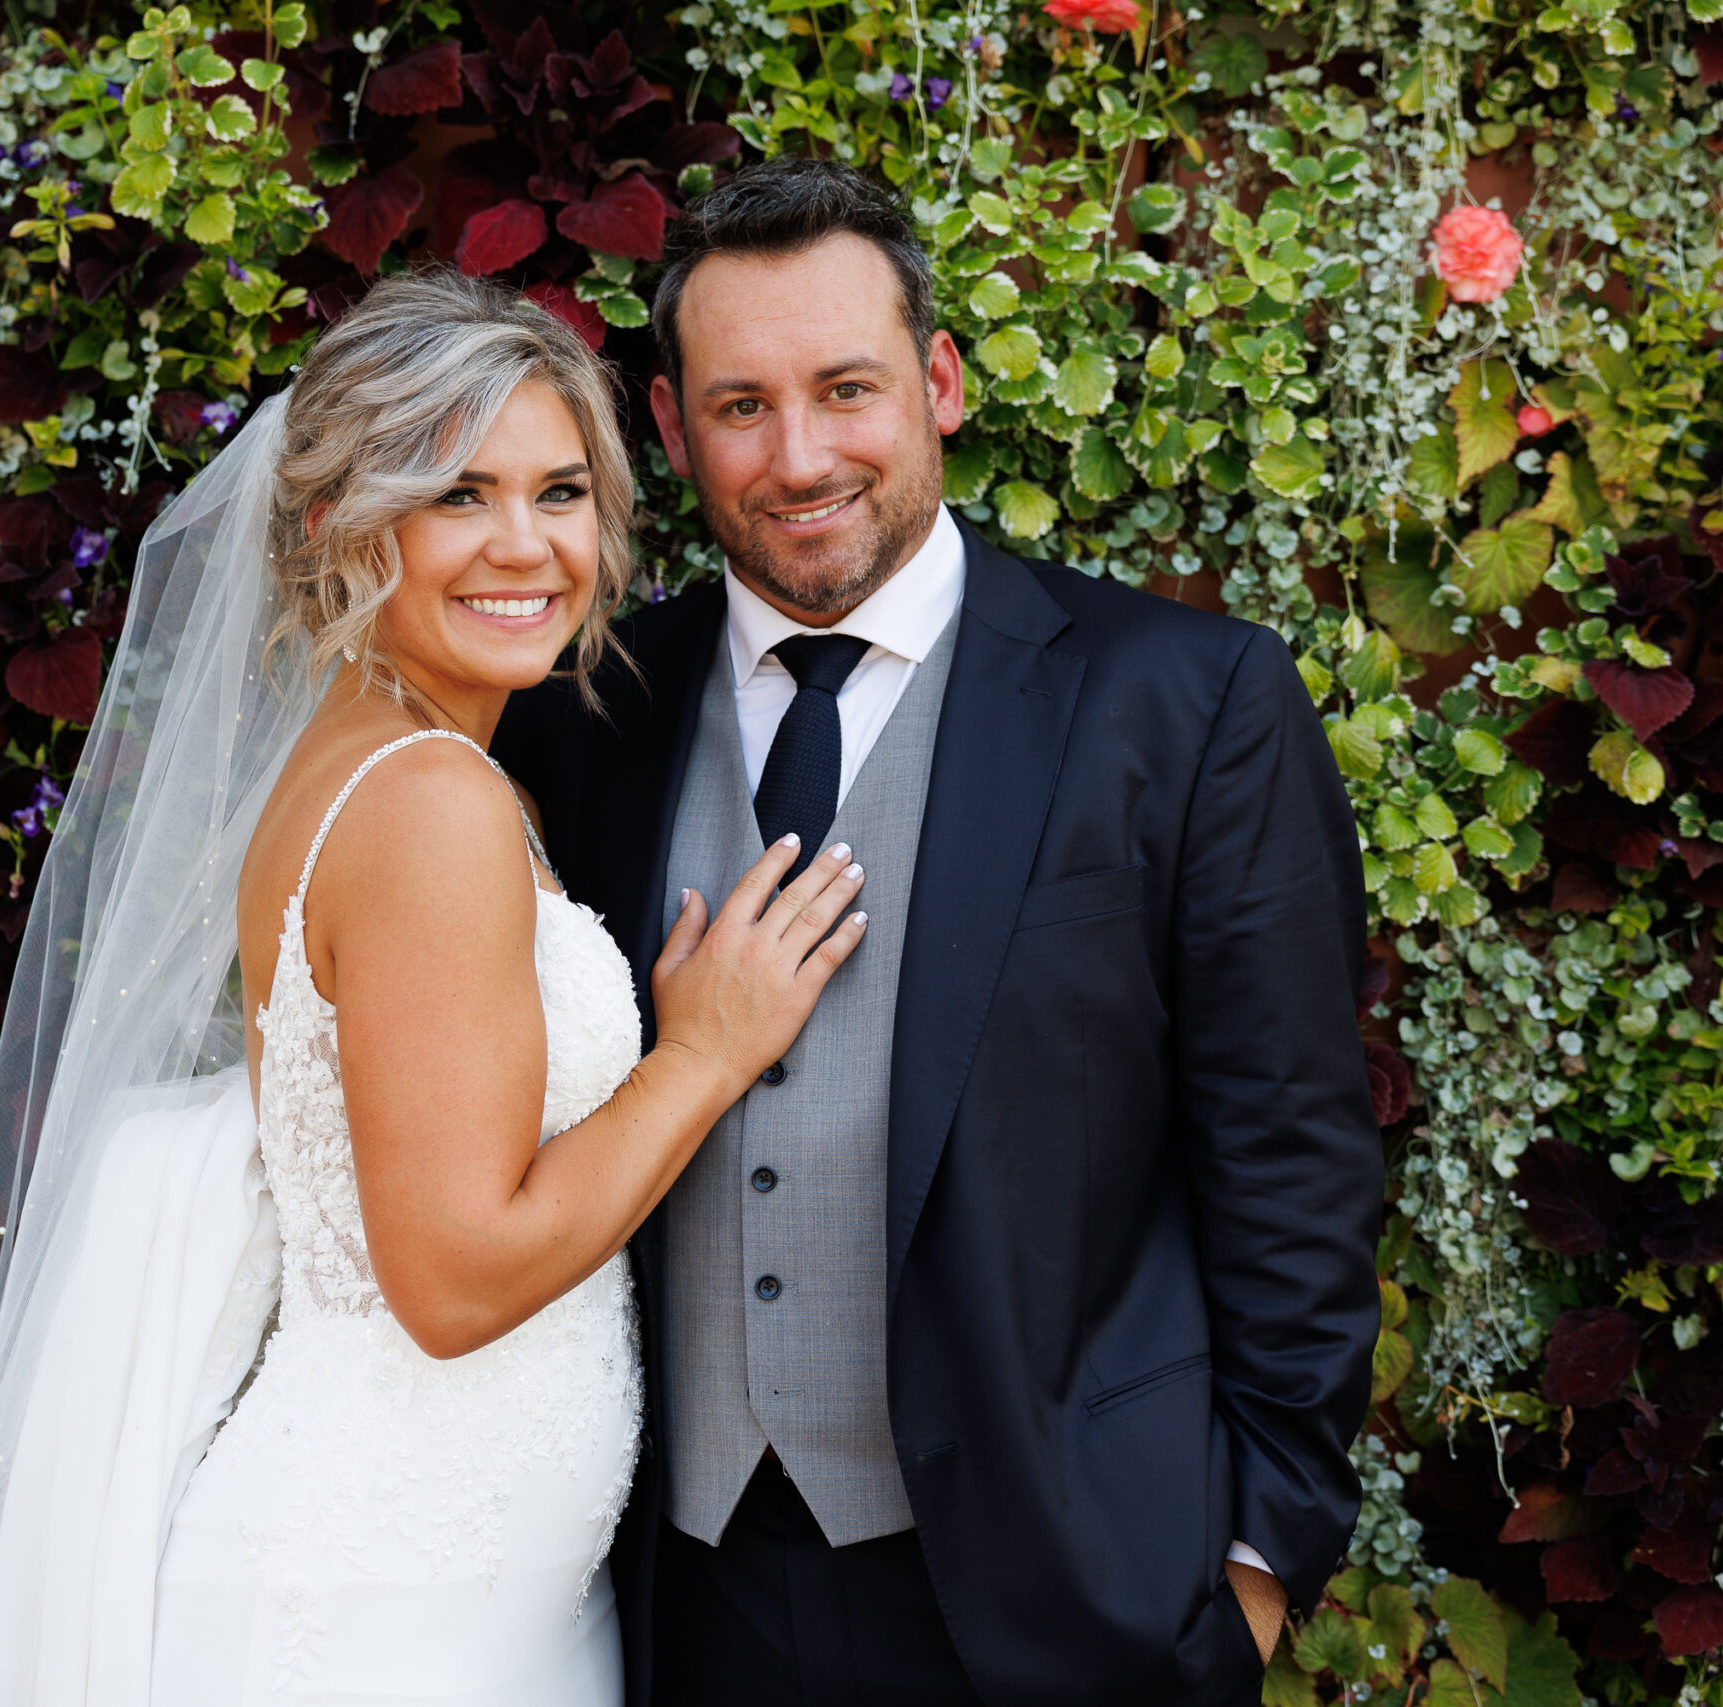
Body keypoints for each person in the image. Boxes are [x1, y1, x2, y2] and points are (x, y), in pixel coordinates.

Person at [493, 155, 1386, 1706]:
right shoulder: (584, 716)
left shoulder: (1185, 702)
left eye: (848, 387)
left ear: (942, 382)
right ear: (669, 425)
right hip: (676, 1598)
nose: (800, 455)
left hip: (1064, 1592)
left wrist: (1254, 1568)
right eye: (742, 404)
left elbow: (1295, 1159)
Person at [0, 271, 865, 1706]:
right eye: (459, 496)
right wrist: (702, 1058)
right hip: (382, 1605)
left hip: (454, 1587)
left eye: (560, 492)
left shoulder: (400, 764)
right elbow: (456, 1274)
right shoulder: (427, 804)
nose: (525, 546)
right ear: (342, 531)